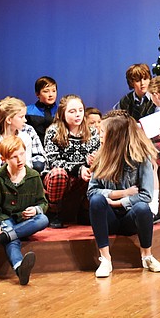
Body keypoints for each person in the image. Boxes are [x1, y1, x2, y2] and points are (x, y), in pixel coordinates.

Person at [87, 114, 160, 277]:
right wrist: (119, 193)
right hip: (109, 216)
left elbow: (145, 195)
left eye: (102, 131)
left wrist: (118, 202)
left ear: (115, 135)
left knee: (143, 208)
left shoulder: (141, 157)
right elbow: (92, 191)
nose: (99, 135)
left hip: (130, 216)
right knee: (96, 200)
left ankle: (147, 256)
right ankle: (105, 259)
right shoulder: (101, 155)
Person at [0, 134, 48, 285]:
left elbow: (43, 203)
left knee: (43, 219)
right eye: (14, 157)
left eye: (22, 154)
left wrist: (36, 210)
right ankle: (19, 268)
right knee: (12, 239)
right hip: (5, 219)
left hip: (25, 221)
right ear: (4, 159)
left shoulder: (33, 176)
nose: (20, 160)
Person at [42, 93, 101, 228]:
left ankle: (86, 209)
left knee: (99, 171)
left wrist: (93, 161)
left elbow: (97, 155)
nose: (78, 115)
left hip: (84, 175)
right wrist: (79, 168)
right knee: (58, 173)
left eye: (80, 110)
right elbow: (53, 160)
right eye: (72, 111)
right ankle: (54, 212)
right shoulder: (53, 131)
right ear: (63, 113)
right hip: (62, 176)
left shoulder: (92, 132)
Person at [0, 96, 46, 173]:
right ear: (9, 120)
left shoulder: (25, 138)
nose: (25, 120)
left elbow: (27, 164)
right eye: (21, 117)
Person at [26, 76, 59, 142]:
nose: (51, 95)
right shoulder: (27, 112)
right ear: (37, 94)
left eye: (54, 91)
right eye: (46, 91)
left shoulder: (61, 112)